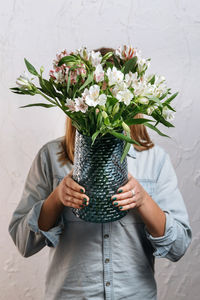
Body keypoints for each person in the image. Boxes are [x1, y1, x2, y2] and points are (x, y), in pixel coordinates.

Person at [8, 48, 192, 300]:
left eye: (114, 94)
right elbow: (23, 242)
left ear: (132, 99)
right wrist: (56, 198)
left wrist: (143, 200)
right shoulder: (50, 156)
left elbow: (179, 247)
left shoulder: (155, 160)